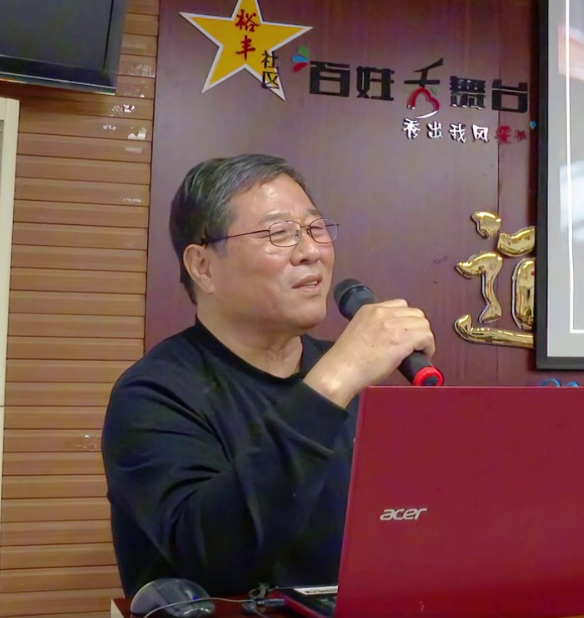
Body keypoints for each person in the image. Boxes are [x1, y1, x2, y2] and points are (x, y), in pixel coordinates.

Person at [101, 154, 436, 597]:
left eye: (316, 229)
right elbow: (213, 558)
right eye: (279, 233)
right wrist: (333, 382)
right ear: (203, 267)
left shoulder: (349, 374)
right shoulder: (152, 394)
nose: (311, 252)